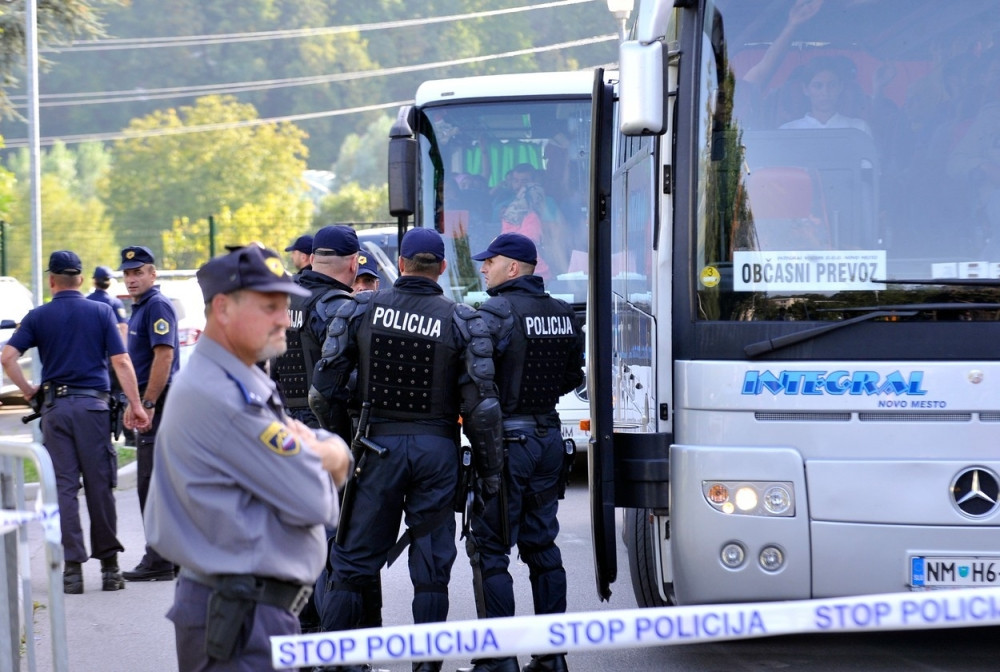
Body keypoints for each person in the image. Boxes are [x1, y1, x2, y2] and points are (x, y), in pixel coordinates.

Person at [144, 244, 351, 671]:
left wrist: (324, 453)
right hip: (240, 618)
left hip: (244, 612)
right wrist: (330, 454)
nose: (283, 318)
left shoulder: (239, 378)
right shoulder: (224, 395)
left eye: (285, 304)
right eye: (269, 306)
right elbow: (316, 501)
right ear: (223, 309)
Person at [308, 228, 503, 672]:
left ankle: (332, 662)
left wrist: (344, 444)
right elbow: (482, 409)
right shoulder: (462, 319)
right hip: (437, 450)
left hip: (376, 447)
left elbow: (324, 392)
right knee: (432, 567)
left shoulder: (361, 308)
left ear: (400, 264)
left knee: (352, 562)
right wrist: (490, 469)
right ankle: (426, 667)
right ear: (443, 268)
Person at [460, 233, 584, 672]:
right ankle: (552, 658)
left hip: (508, 442)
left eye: (489, 262)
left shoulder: (495, 312)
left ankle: (498, 661)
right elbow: (573, 376)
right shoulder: (563, 314)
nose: (483, 269)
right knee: (542, 546)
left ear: (513, 267)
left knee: (490, 550)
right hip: (549, 437)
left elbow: (475, 382)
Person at [1, 251, 149, 594]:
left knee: (64, 489)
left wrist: (28, 391)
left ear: (52, 281)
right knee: (99, 486)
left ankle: (71, 571)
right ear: (80, 280)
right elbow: (122, 361)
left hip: (55, 411)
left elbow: (7, 357)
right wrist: (137, 405)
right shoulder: (100, 312)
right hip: (94, 410)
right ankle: (110, 569)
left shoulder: (37, 316)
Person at [118, 245, 180, 582]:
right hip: (151, 400)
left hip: (162, 402)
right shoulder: (140, 307)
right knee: (155, 485)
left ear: (152, 274)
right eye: (127, 273)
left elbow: (164, 358)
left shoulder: (156, 304)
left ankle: (160, 560)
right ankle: (167, 557)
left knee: (151, 485)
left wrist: (149, 403)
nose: (131, 279)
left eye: (138, 272)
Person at [271, 225, 359, 431]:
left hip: (281, 421)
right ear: (354, 264)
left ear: (311, 260)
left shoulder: (283, 297)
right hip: (323, 426)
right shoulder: (340, 308)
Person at [86, 265, 128, 344]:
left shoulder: (86, 301)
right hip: (110, 348)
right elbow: (123, 327)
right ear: (109, 282)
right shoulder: (115, 303)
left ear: (94, 281)